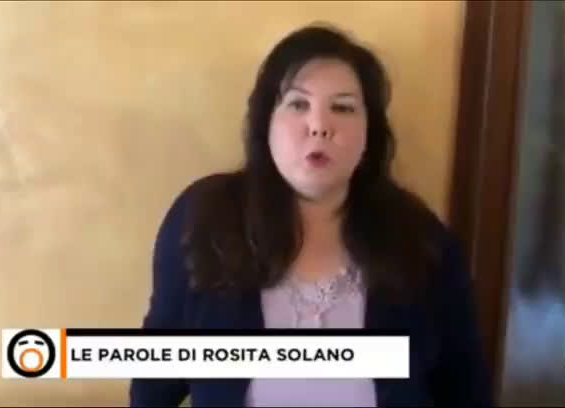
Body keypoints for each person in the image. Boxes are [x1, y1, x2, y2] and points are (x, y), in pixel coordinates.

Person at [129, 23, 493, 407]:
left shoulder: (422, 242)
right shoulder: (204, 221)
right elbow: (154, 384)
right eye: (298, 104)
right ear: (266, 121)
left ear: (370, 133)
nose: (319, 126)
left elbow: (466, 390)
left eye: (343, 107)